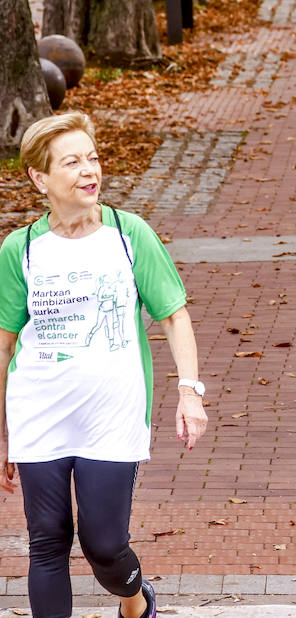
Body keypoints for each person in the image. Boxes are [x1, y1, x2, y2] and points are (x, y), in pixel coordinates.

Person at [1, 113, 208, 618]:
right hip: (38, 410)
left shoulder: (128, 234)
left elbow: (174, 315)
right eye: (72, 162)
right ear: (39, 178)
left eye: (92, 158)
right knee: (46, 541)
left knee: (104, 544)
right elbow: (5, 343)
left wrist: (189, 391)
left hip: (112, 412)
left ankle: (136, 599)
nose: (89, 171)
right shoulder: (20, 248)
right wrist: (3, 430)